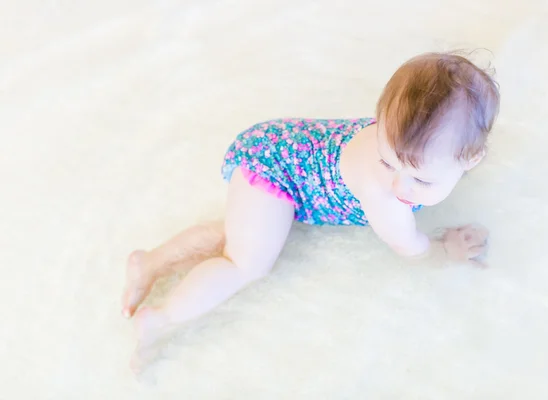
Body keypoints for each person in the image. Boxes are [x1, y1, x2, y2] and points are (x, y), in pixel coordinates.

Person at [121, 51, 500, 371]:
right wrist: (445, 250)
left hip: (282, 142)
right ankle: (160, 320)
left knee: (236, 235)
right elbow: (412, 249)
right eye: (387, 163)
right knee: (244, 263)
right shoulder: (385, 200)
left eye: (421, 180)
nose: (399, 186)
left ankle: (150, 263)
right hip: (275, 176)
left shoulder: (409, 141)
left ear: (471, 158)